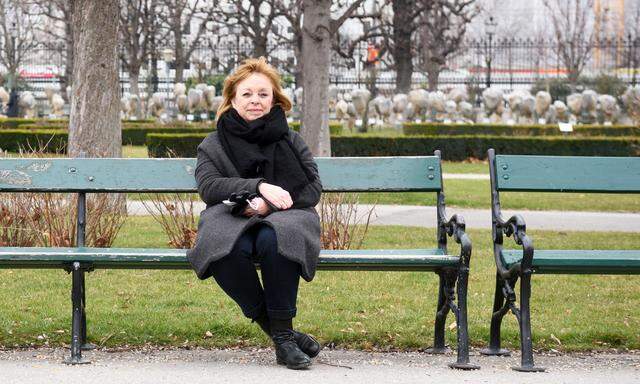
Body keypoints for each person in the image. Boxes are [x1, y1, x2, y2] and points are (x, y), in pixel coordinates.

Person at [186, 57, 322, 370]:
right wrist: (259, 187)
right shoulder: (214, 143)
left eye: (263, 94)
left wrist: (270, 204)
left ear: (275, 99)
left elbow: (312, 187)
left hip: (287, 215)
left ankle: (283, 339)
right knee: (224, 246)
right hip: (233, 213)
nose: (255, 101)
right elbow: (209, 186)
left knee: (276, 238)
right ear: (232, 99)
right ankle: (284, 337)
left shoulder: (290, 139)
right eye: (247, 94)